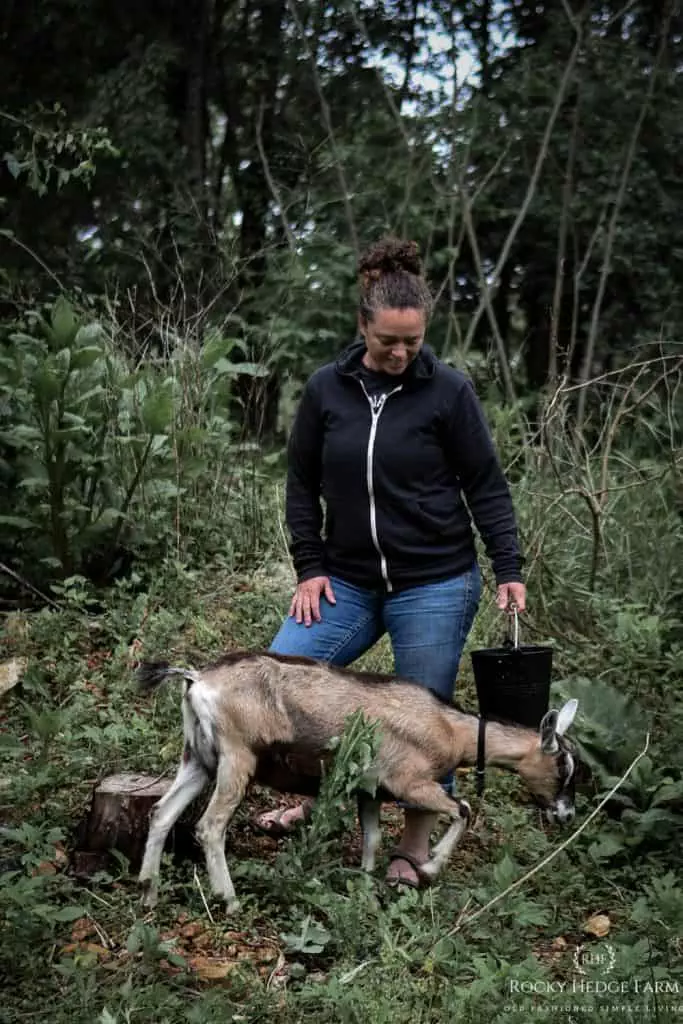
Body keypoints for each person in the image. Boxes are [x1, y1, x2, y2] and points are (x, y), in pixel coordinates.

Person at [253, 236, 526, 888]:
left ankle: (412, 840)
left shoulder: (448, 392)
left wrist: (508, 566)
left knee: (425, 718)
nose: (401, 354)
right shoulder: (326, 390)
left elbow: (485, 485)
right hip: (344, 579)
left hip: (433, 581)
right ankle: (316, 803)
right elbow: (300, 485)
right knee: (280, 688)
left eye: (413, 341)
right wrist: (309, 568)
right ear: (362, 327)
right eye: (387, 343)